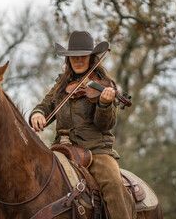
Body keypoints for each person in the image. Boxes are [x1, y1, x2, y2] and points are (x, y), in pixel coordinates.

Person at [29, 30, 136, 219]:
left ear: (91, 58)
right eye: (73, 57)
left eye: (83, 57)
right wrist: (37, 114)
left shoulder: (104, 86)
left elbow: (105, 125)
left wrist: (104, 103)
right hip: (60, 149)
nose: (78, 61)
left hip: (95, 151)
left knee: (112, 182)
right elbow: (45, 106)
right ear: (68, 60)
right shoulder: (61, 85)